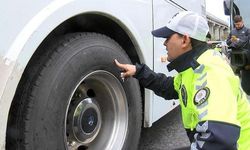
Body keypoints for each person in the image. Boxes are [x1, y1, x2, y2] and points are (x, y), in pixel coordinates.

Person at [114, 11, 250, 149]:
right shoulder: (193, 67)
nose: (164, 43)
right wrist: (139, 71)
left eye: (167, 37)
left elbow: (218, 142)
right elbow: (169, 87)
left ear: (185, 40)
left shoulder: (211, 72)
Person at [226, 15, 250, 95]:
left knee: (246, 77)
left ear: (242, 22)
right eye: (236, 24)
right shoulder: (232, 31)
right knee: (233, 76)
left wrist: (238, 40)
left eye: (239, 24)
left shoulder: (247, 31)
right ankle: (236, 93)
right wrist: (231, 40)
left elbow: (246, 41)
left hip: (245, 58)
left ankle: (246, 93)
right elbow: (227, 42)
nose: (237, 26)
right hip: (235, 57)